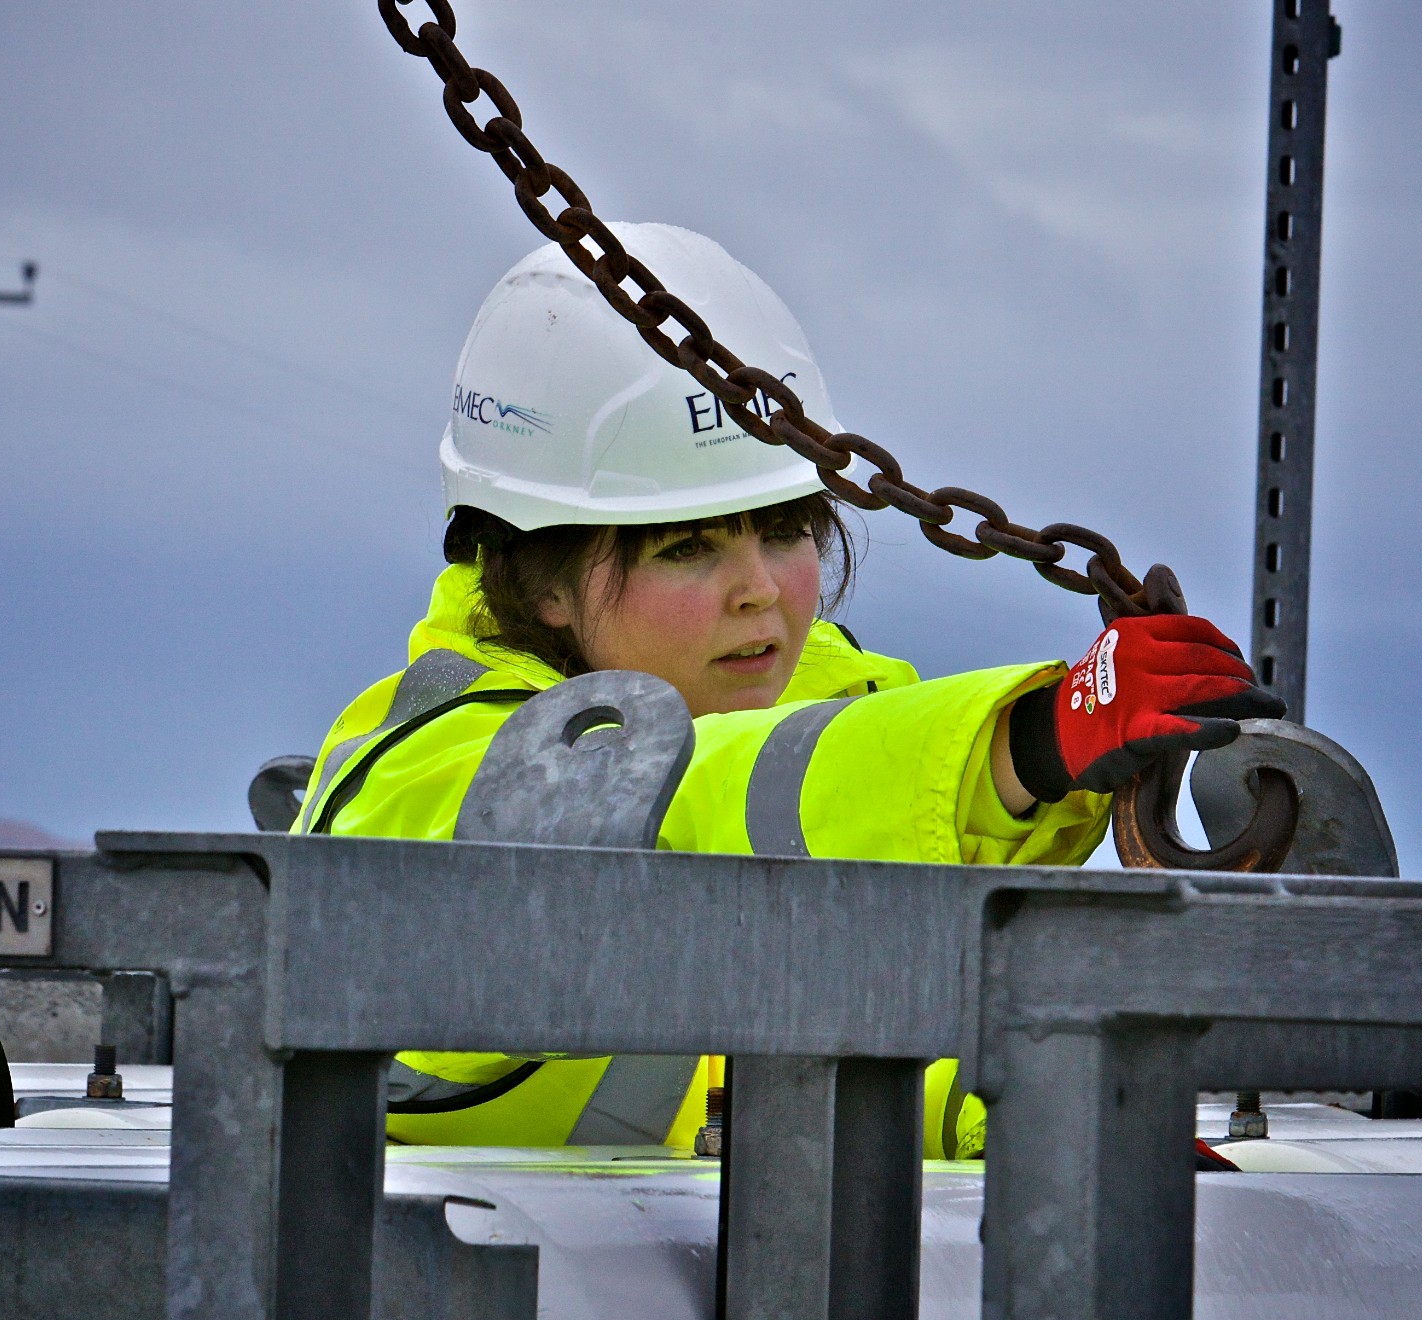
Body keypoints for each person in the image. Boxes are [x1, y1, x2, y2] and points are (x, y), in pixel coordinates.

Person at [294, 222, 1280, 1157]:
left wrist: (1038, 1118)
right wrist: (1021, 742)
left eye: (784, 530)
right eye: (686, 546)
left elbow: (852, 1049)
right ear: (541, 580)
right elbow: (675, 812)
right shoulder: (415, 784)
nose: (760, 589)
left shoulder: (831, 700)